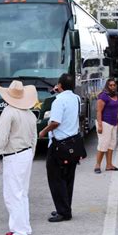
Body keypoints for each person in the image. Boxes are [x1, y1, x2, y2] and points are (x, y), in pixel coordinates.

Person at [0, 80, 38, 235]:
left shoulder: (9, 112)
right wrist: (31, 154)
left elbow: (1, 136)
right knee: (22, 193)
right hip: (26, 154)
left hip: (14, 156)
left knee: (12, 195)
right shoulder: (30, 114)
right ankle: (24, 227)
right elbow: (34, 138)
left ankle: (19, 233)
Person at [39, 73, 80, 223]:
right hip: (73, 144)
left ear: (59, 85)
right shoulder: (76, 98)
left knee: (56, 179)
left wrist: (43, 131)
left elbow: (55, 122)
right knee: (68, 178)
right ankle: (65, 207)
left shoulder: (58, 101)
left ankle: (63, 212)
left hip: (59, 145)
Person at [94, 78, 118, 174]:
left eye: (114, 85)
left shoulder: (116, 95)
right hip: (105, 123)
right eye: (111, 85)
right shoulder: (103, 96)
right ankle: (97, 165)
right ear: (107, 86)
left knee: (111, 144)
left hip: (114, 123)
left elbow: (116, 110)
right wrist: (100, 125)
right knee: (103, 144)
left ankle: (109, 165)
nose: (113, 87)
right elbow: (99, 111)